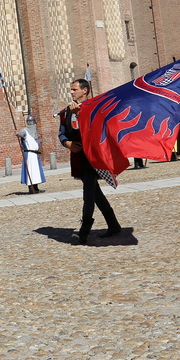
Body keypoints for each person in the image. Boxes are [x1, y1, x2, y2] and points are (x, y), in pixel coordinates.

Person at [59, 79, 121, 245]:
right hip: (79, 157)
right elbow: (62, 133)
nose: (71, 92)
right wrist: (68, 143)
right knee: (95, 192)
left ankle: (84, 231)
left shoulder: (95, 108)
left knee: (88, 192)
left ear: (84, 90)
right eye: (71, 90)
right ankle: (114, 225)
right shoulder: (66, 112)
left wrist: (80, 114)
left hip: (93, 156)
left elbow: (96, 127)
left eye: (74, 89)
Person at [17, 114, 45, 193]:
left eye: (32, 122)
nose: (31, 123)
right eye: (30, 122)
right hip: (29, 155)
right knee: (30, 171)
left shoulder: (34, 131)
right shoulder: (25, 130)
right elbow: (21, 134)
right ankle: (31, 188)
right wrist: (18, 134)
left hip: (34, 154)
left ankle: (36, 188)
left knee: (35, 172)